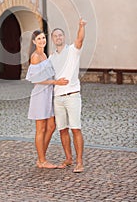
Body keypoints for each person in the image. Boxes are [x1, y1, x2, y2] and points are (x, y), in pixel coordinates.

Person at [26, 30, 69, 169]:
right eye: (39, 38)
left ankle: (41, 157)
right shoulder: (35, 57)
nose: (42, 40)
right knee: (41, 128)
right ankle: (42, 161)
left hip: (48, 94)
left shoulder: (44, 55)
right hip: (40, 95)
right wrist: (56, 83)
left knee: (51, 126)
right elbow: (36, 80)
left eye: (43, 38)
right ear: (34, 41)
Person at [50, 18, 86, 173]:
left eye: (60, 35)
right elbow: (48, 78)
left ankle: (79, 162)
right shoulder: (51, 58)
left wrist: (81, 26)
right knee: (62, 130)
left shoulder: (72, 51)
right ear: (52, 39)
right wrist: (55, 82)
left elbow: (80, 39)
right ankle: (68, 158)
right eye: (55, 36)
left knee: (75, 128)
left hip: (72, 96)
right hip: (58, 98)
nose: (58, 38)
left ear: (64, 37)